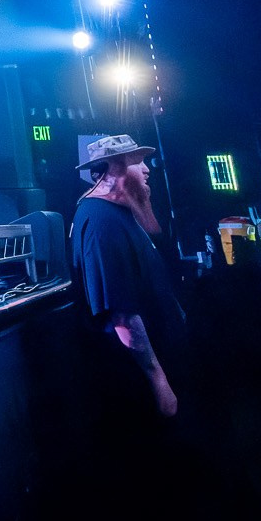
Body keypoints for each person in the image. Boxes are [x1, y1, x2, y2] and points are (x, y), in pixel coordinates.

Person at [70, 133, 187, 417]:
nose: (147, 169)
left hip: (166, 359)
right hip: (138, 384)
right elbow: (121, 315)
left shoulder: (119, 213)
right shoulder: (99, 220)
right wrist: (157, 380)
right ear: (114, 168)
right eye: (138, 161)